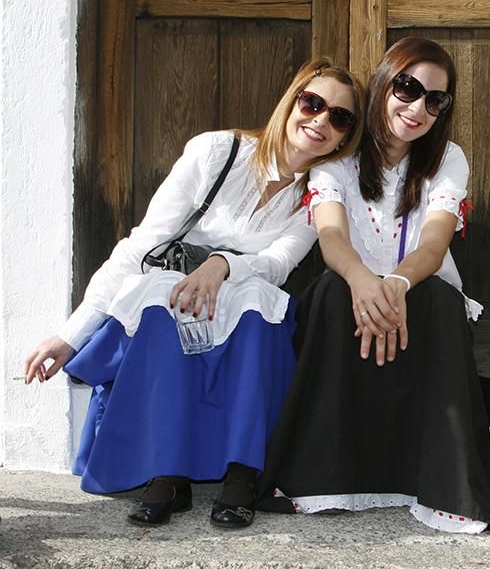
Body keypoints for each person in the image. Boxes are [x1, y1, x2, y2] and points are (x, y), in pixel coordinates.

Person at [22, 58, 364, 529]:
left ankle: (242, 476)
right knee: (164, 303)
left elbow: (278, 265)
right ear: (291, 103)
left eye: (340, 117)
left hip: (245, 302)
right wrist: (68, 336)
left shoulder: (320, 194)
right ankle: (167, 474)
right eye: (313, 103)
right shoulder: (216, 152)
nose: (321, 120)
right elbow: (140, 246)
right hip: (176, 290)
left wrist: (222, 265)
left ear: (347, 135)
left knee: (257, 308)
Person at [256, 37, 490, 533]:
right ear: (385, 83)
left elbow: (433, 246)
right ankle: (321, 479)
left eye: (436, 99)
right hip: (352, 288)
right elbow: (331, 238)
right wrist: (365, 282)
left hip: (419, 288)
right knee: (329, 294)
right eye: (408, 88)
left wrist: (394, 285)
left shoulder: (448, 158)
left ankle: (442, 488)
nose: (418, 108)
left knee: (437, 300)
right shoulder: (337, 156)